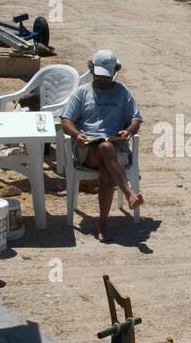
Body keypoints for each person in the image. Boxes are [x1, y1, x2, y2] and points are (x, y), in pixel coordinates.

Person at [60, 50, 144, 241]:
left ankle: (103, 224)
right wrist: (77, 134)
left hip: (117, 149)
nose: (102, 80)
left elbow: (136, 119)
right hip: (88, 149)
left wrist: (129, 131)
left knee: (107, 165)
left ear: (116, 71)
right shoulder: (82, 93)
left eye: (106, 77)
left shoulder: (122, 92)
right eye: (98, 76)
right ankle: (130, 193)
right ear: (91, 71)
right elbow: (66, 120)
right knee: (105, 147)